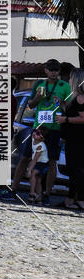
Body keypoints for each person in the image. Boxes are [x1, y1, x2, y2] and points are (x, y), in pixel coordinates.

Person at [1, 59, 71, 205]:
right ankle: (13, 190)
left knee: (52, 161)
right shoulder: (39, 84)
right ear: (45, 70)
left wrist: (60, 103)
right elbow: (31, 105)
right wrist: (38, 97)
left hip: (54, 128)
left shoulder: (64, 86)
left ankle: (46, 194)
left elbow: (68, 109)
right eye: (51, 70)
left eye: (56, 70)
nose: (53, 73)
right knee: (25, 157)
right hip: (38, 128)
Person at [56, 68, 84, 210]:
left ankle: (77, 199)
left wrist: (64, 118)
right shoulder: (76, 97)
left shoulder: (80, 98)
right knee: (75, 170)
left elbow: (82, 118)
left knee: (76, 170)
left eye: (72, 78)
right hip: (74, 139)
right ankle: (72, 198)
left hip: (77, 140)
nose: (69, 80)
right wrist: (63, 105)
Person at [26, 126, 48, 204]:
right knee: (38, 180)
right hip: (38, 162)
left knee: (33, 174)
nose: (34, 133)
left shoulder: (40, 146)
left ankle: (32, 193)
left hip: (43, 164)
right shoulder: (33, 140)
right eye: (35, 131)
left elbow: (35, 159)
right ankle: (39, 198)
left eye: (38, 133)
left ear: (42, 138)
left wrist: (29, 170)